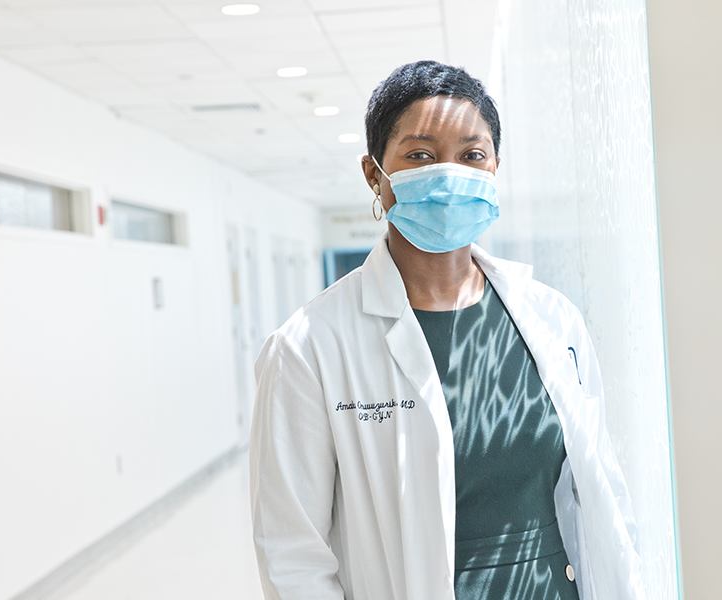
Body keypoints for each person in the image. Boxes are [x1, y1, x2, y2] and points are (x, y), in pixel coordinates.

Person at [249, 61, 641, 600]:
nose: (448, 173)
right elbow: (293, 559)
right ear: (374, 174)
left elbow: (605, 501)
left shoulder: (552, 319)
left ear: (495, 167)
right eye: (421, 155)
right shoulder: (307, 349)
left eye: (472, 155)